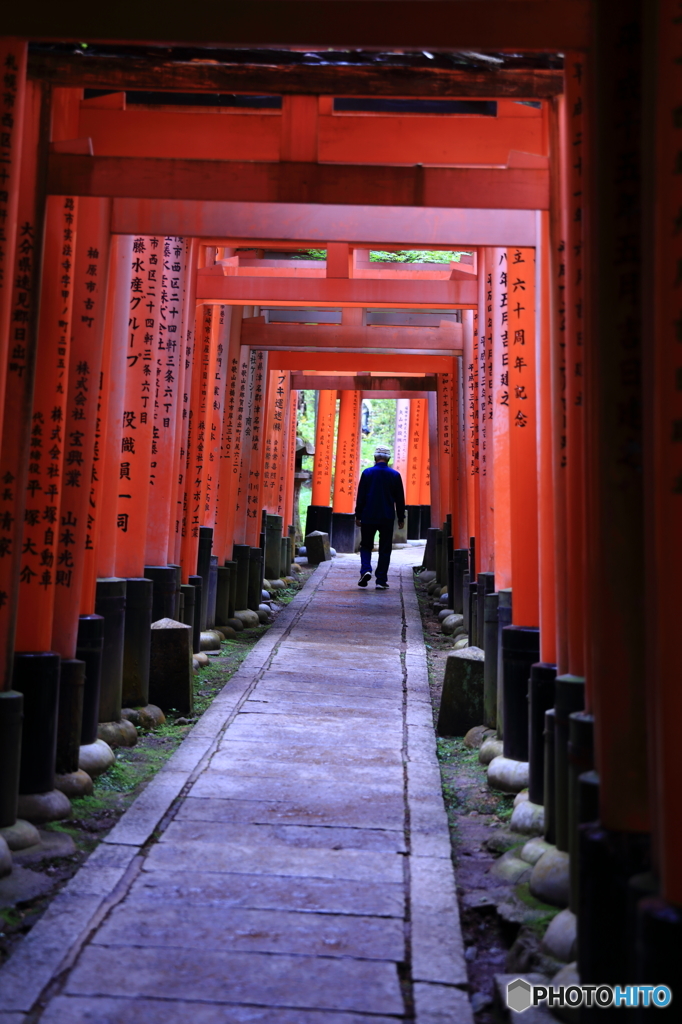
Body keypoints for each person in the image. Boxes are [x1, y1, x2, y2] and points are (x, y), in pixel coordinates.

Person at [355, 444, 406, 589]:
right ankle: (381, 580)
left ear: (375, 458)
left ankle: (365, 570)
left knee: (366, 545)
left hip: (368, 515)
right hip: (387, 517)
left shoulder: (367, 473)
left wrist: (358, 515)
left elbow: (361, 497)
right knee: (385, 548)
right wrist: (401, 517)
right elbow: (400, 499)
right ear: (388, 459)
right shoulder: (394, 475)